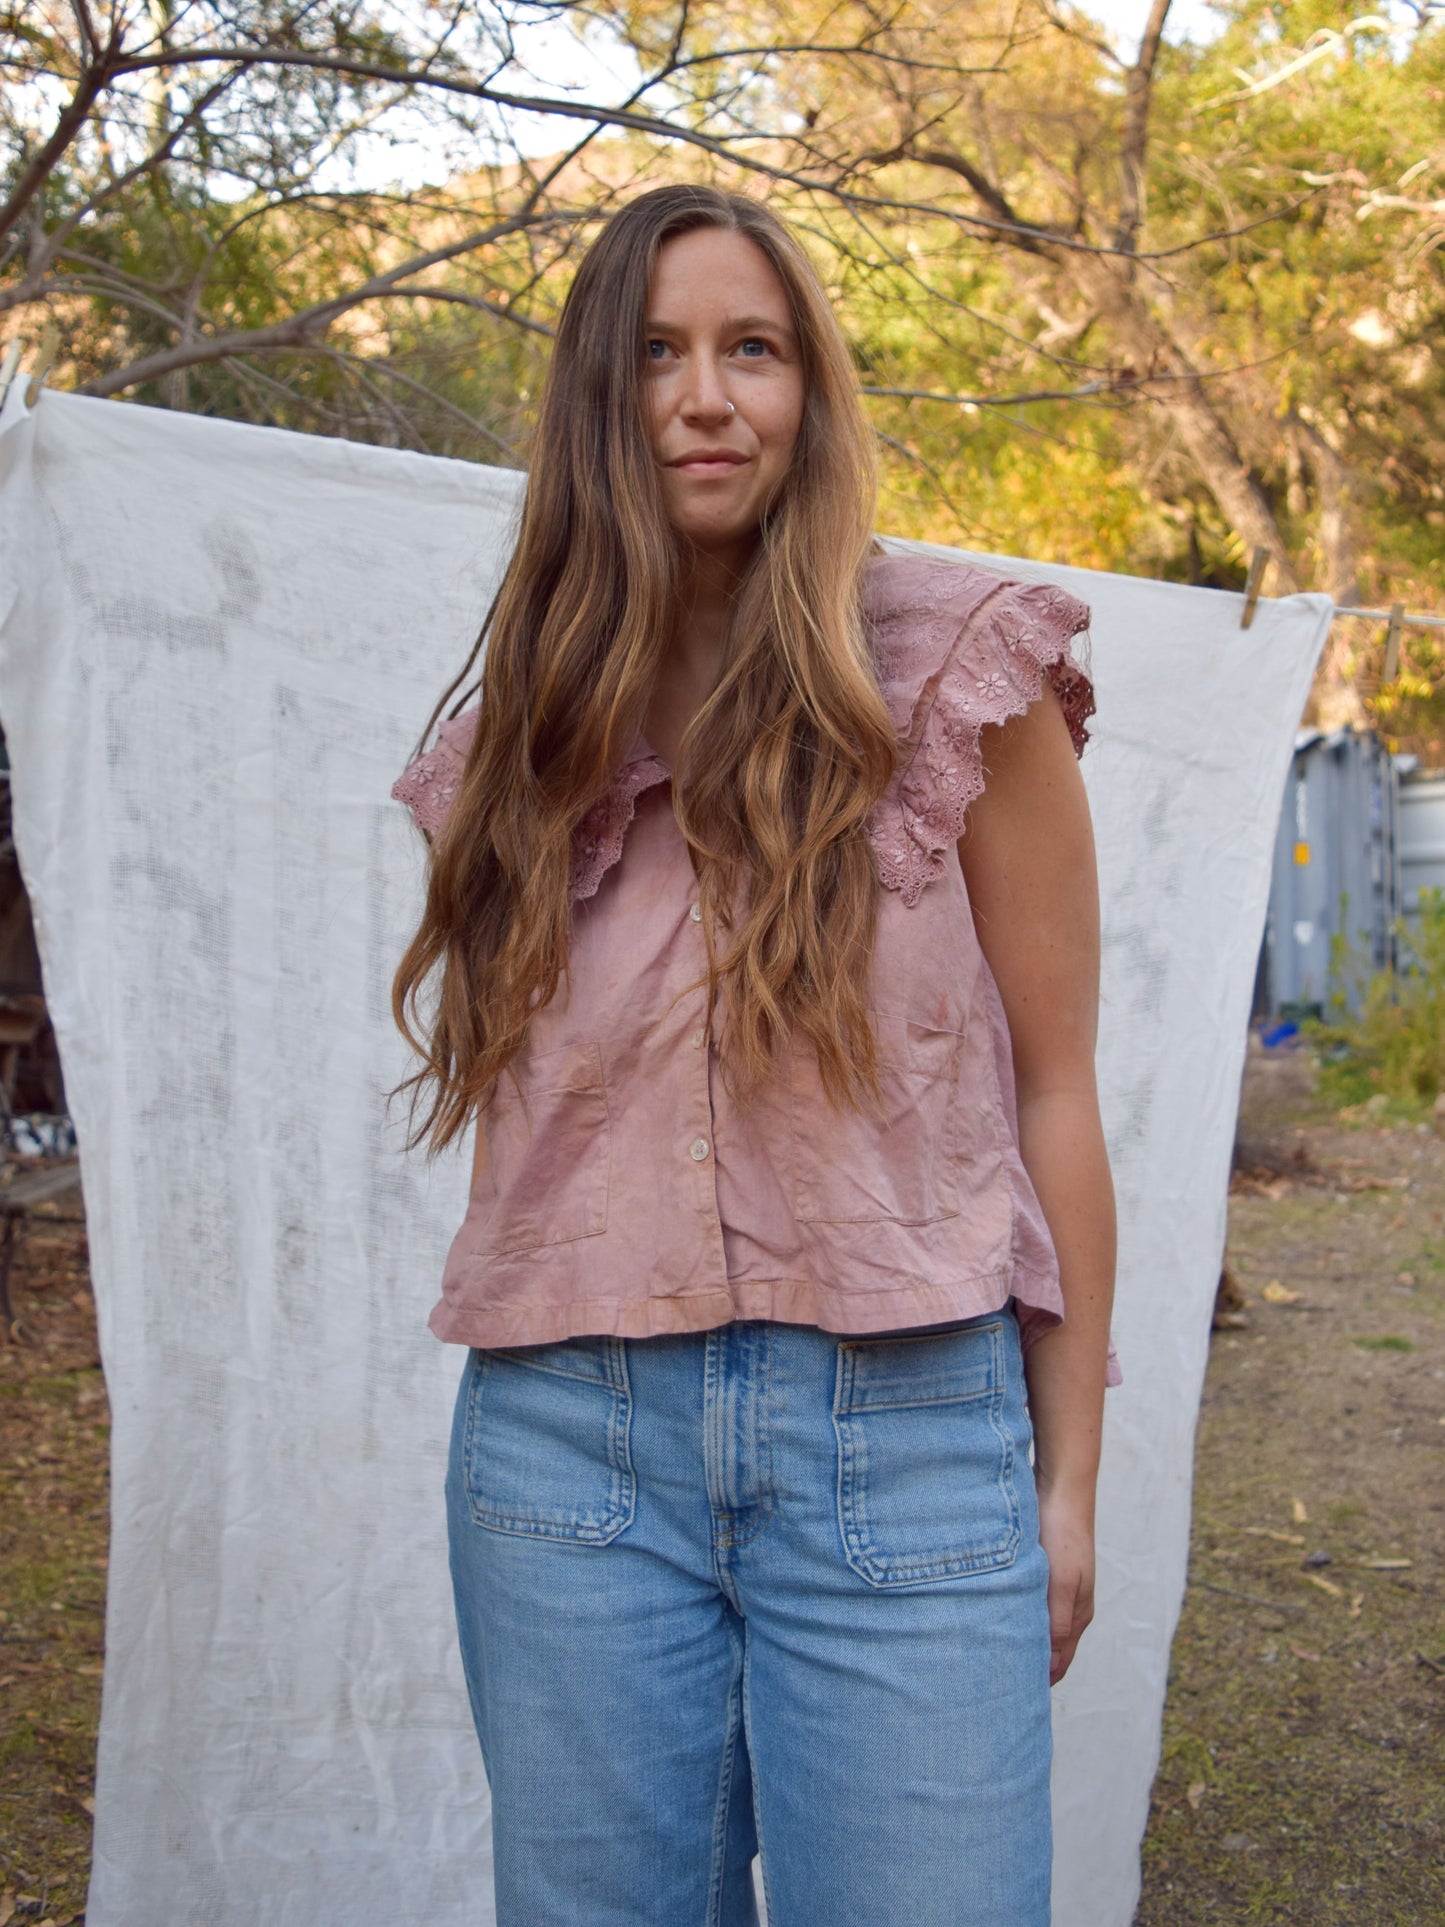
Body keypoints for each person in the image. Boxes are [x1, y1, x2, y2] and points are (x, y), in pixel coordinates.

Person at [390, 183, 1118, 1927]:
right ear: (595, 402)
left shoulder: (957, 678)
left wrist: (1070, 1480)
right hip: (567, 1458)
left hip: (909, 1440)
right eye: (653, 355)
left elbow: (1057, 1091)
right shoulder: (513, 749)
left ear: (810, 390)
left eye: (751, 350)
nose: (704, 397)